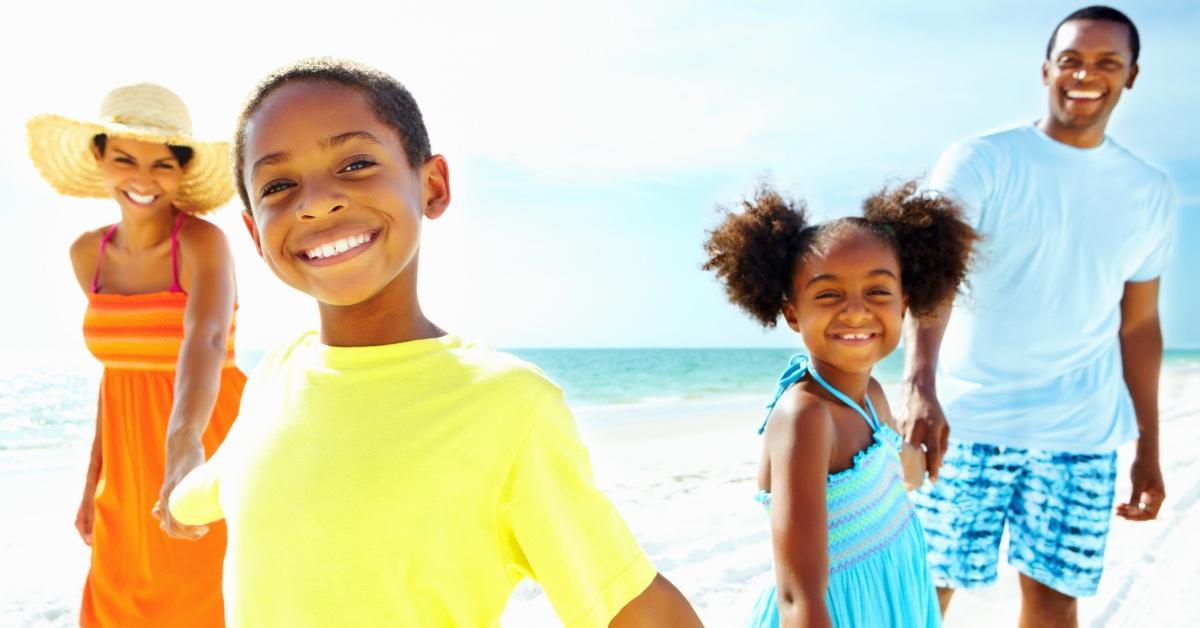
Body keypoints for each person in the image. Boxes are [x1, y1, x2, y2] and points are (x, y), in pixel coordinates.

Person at [167, 58, 703, 627]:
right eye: (278, 185)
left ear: (433, 185)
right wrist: (177, 501)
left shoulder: (507, 405)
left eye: (354, 163)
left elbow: (629, 607)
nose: (317, 201)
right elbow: (225, 479)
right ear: (254, 233)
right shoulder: (276, 375)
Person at [902, 6, 1178, 625]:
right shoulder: (980, 161)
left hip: (1079, 434)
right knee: (919, 597)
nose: (1087, 74)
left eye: (1108, 62)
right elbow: (934, 277)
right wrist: (919, 383)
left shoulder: (1149, 190)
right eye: (1072, 59)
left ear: (1131, 75)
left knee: (1055, 604)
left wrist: (1148, 448)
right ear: (1047, 69)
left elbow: (1138, 326)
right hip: (964, 421)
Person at [703, 181, 978, 627]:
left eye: (878, 292)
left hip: (893, 603)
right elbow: (799, 595)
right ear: (793, 314)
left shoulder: (871, 397)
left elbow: (893, 467)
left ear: (904, 305)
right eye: (829, 294)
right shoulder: (805, 418)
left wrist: (924, 459)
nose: (855, 311)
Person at [27, 83, 243, 626]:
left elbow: (208, 340)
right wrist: (91, 482)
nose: (143, 180)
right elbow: (116, 376)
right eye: (124, 159)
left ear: (183, 171)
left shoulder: (201, 244)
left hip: (204, 449)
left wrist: (182, 446)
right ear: (99, 158)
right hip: (124, 475)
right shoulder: (88, 255)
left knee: (205, 601)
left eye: (162, 164)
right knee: (119, 605)